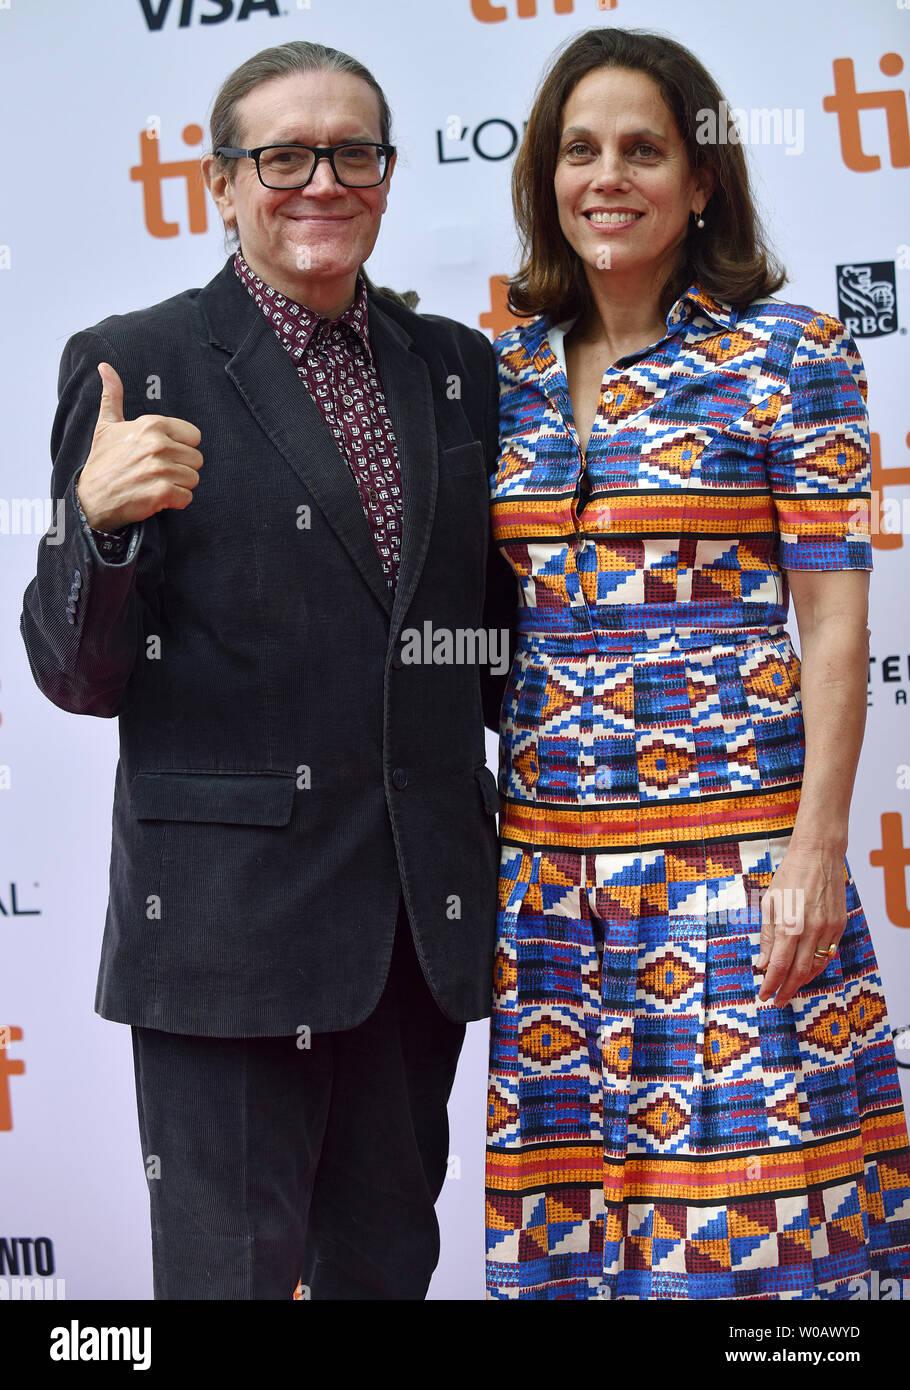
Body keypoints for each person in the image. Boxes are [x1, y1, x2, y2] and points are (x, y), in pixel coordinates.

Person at [20, 39, 514, 1301]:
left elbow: (493, 635)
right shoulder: (139, 358)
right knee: (229, 1286)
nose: (321, 179)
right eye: (283, 154)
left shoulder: (458, 365)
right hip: (227, 936)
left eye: (353, 152)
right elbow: (79, 674)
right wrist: (101, 526)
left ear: (389, 178)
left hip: (416, 926)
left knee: (386, 1269)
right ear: (220, 183)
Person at [484, 26, 910, 1299]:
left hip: (737, 863)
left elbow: (834, 617)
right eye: (578, 150)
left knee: (767, 1234)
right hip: (550, 876)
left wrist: (816, 847)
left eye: (642, 149)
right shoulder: (496, 373)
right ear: (545, 180)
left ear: (703, 179)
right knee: (578, 1235)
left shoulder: (792, 355)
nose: (606, 176)